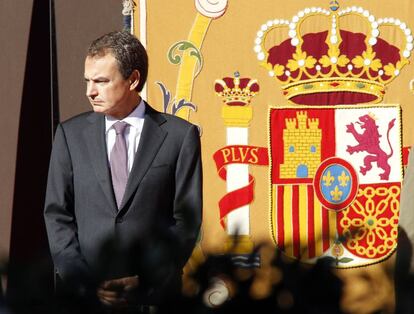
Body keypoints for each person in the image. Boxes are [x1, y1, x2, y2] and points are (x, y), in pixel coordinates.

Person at [44, 31, 202, 312]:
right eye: (88, 81)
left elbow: (186, 221)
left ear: (133, 80)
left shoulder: (180, 136)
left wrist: (148, 278)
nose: (90, 91)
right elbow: (58, 214)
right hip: (84, 298)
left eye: (101, 81)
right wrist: (83, 280)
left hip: (153, 298)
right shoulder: (70, 135)